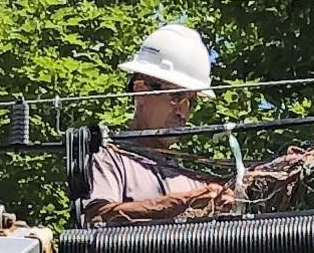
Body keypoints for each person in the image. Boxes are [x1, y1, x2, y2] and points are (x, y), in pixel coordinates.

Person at [82, 24, 234, 226]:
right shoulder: (110, 158)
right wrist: (182, 203)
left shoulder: (188, 177)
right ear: (140, 91)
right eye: (176, 96)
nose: (183, 112)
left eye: (191, 102)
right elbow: (98, 218)